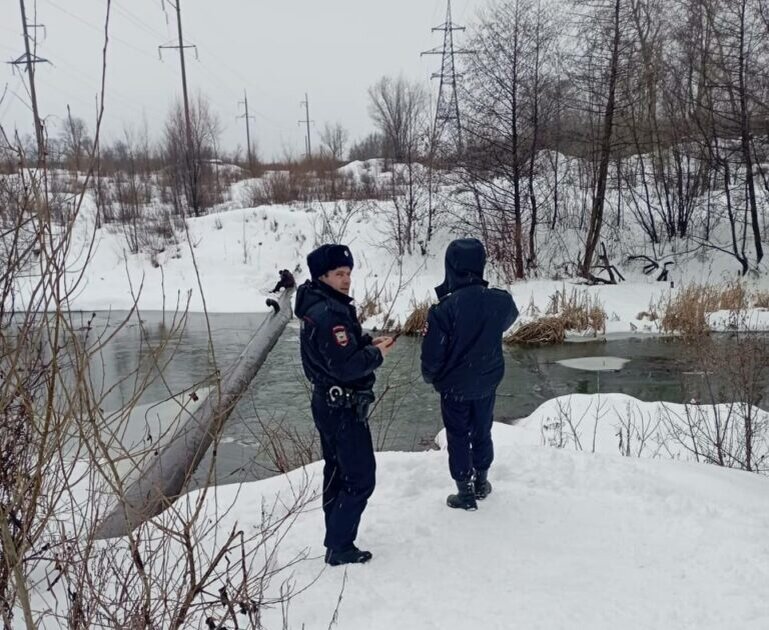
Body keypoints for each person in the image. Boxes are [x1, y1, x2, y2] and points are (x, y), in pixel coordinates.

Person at [295, 243, 395, 565]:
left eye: (349, 273)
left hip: (329, 402)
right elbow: (346, 366)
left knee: (337, 472)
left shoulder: (322, 305)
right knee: (361, 477)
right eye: (339, 273)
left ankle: (337, 540)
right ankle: (340, 546)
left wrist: (366, 343)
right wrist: (377, 354)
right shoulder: (328, 314)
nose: (346, 279)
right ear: (322, 276)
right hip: (342, 406)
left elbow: (340, 352)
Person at [420, 238, 518, 510]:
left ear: (451, 267)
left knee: (458, 435)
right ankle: (481, 483)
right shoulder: (499, 301)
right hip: (487, 381)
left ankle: (465, 493)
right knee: (482, 431)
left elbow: (431, 358)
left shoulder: (444, 310)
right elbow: (509, 317)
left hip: (454, 386)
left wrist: (431, 377)